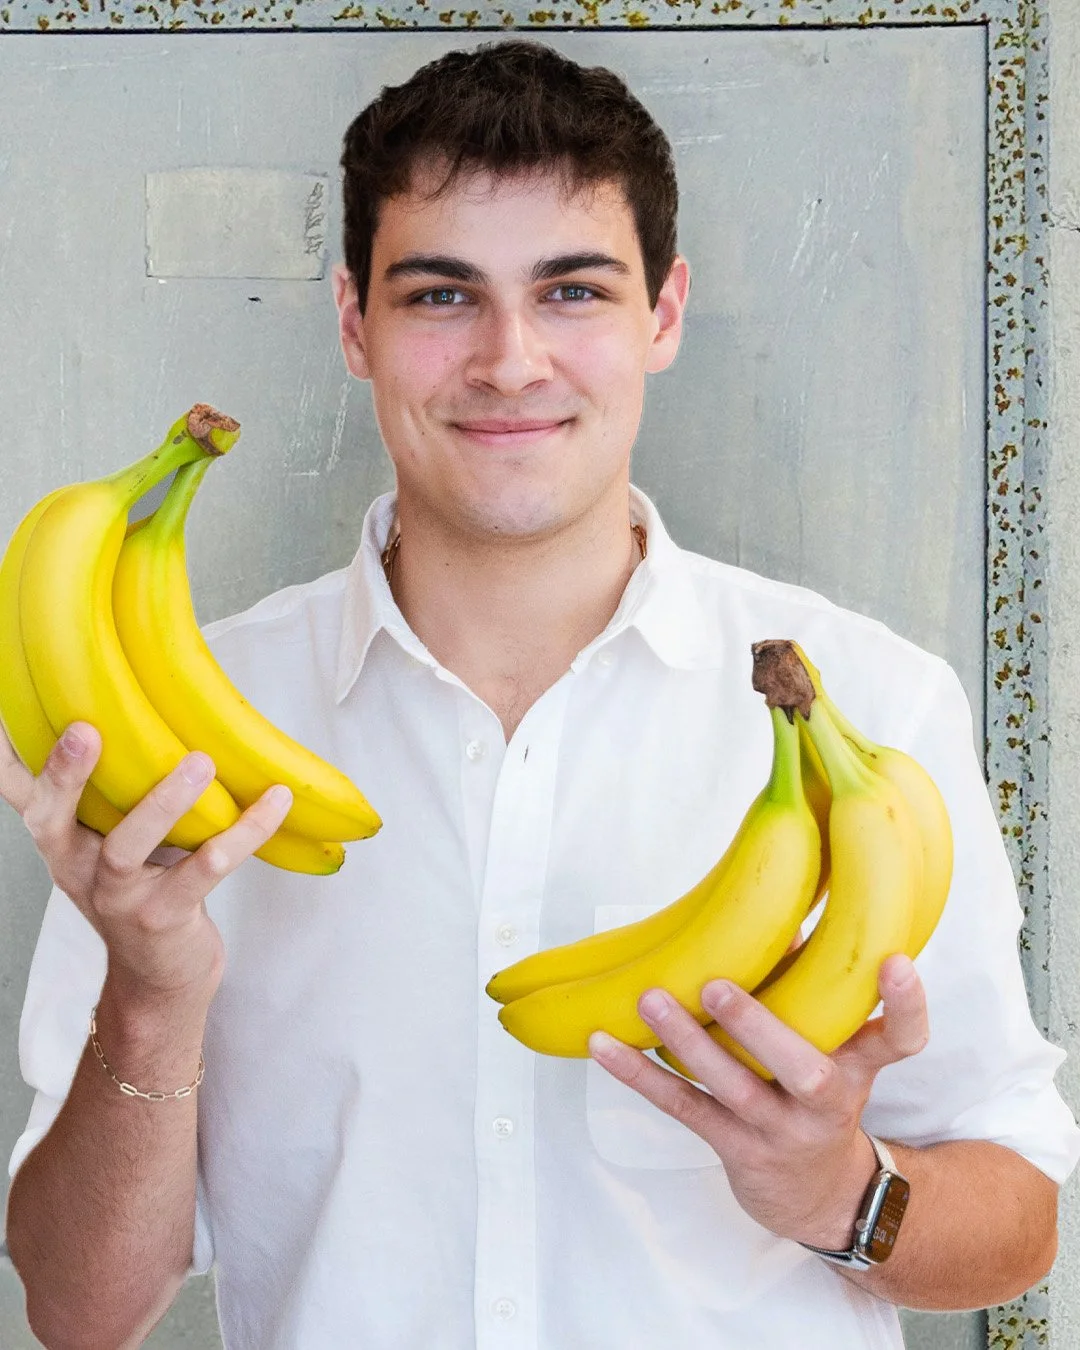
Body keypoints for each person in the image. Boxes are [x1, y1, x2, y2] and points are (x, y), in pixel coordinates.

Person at [2, 38, 1077, 1350]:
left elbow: (1022, 1213)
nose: (511, 360)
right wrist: (150, 996)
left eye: (571, 291)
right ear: (355, 324)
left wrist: (841, 1190)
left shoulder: (876, 707)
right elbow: (79, 1309)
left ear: (664, 315)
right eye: (442, 297)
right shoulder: (173, 744)